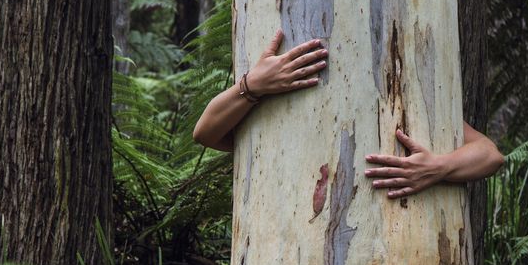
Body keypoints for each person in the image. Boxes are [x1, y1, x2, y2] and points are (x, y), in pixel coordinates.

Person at [193, 30, 504, 199]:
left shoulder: (397, 102)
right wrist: (253, 85)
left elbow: (490, 155)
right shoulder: (281, 107)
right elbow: (206, 132)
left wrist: (440, 167)